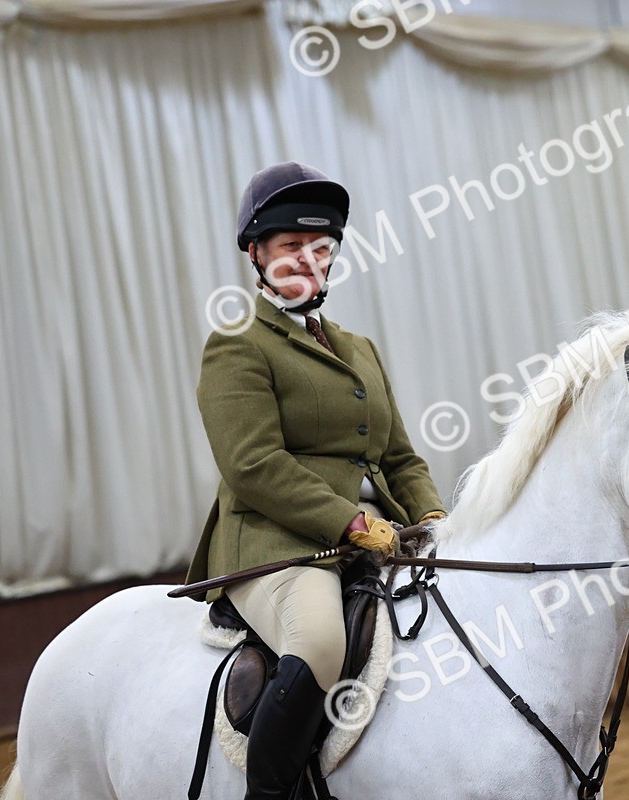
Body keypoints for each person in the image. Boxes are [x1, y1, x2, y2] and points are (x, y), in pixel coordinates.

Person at [184, 161, 446, 799]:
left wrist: (435, 519)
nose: (308, 259)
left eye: (320, 247)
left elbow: (399, 459)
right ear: (257, 254)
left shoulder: (358, 348)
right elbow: (252, 466)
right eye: (290, 246)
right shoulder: (238, 343)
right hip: (278, 546)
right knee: (322, 641)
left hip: (379, 537)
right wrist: (351, 523)